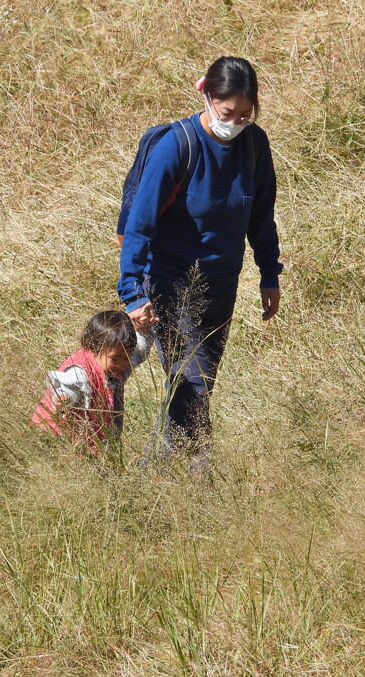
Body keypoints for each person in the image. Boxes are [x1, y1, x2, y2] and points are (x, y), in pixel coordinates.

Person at [117, 56, 282, 457]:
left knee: (192, 384)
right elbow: (139, 223)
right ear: (205, 95)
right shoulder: (177, 146)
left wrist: (269, 274)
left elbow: (261, 215)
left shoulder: (254, 144)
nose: (236, 122)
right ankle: (201, 479)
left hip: (222, 284)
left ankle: (152, 474)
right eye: (228, 112)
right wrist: (133, 294)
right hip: (171, 282)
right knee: (193, 385)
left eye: (246, 114)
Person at [31, 310, 153, 454]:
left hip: (86, 438)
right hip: (56, 434)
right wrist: (62, 399)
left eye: (126, 358)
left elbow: (138, 354)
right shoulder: (80, 371)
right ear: (95, 347)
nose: (122, 364)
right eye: (115, 359)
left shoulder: (114, 365)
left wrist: (144, 332)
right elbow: (67, 384)